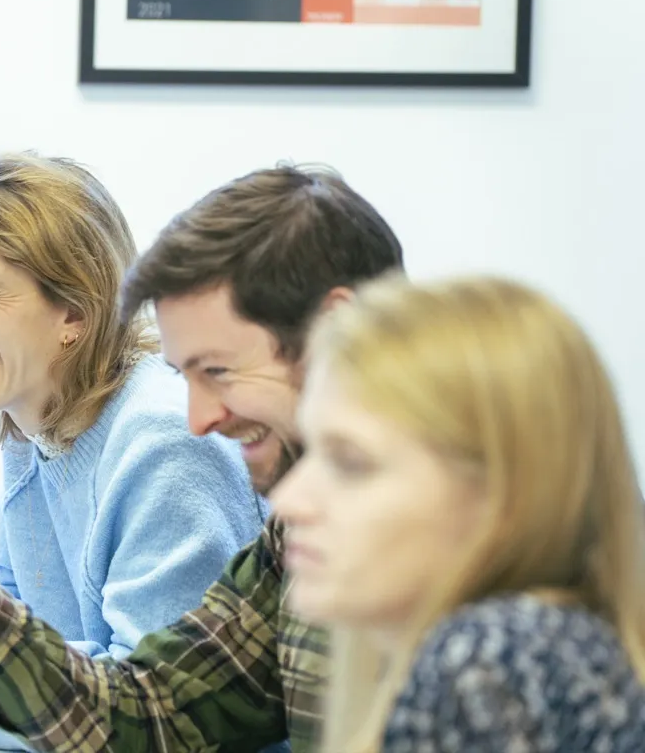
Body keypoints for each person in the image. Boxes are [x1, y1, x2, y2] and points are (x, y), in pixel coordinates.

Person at [0, 164, 404, 752]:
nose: (202, 417)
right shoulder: (293, 533)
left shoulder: (447, 549)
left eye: (217, 370)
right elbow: (137, 715)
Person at [272, 274, 645, 750]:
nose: (288, 501)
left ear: (505, 493)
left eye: (351, 463)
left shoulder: (486, 662)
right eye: (310, 452)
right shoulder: (557, 649)